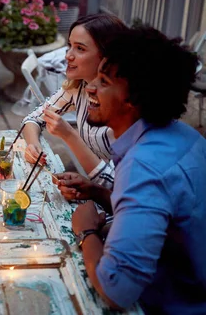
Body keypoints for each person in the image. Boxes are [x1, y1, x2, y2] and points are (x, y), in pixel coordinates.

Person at [67, 27, 206, 313]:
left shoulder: (144, 166)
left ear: (134, 99)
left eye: (103, 82)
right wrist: (99, 193)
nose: (90, 88)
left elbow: (116, 289)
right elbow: (168, 214)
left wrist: (85, 232)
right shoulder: (186, 136)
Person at [22, 14, 127, 189]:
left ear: (105, 57)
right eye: (69, 46)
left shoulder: (126, 106)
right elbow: (32, 119)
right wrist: (34, 147)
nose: (68, 56)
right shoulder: (77, 87)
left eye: (80, 48)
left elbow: (117, 186)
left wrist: (69, 135)